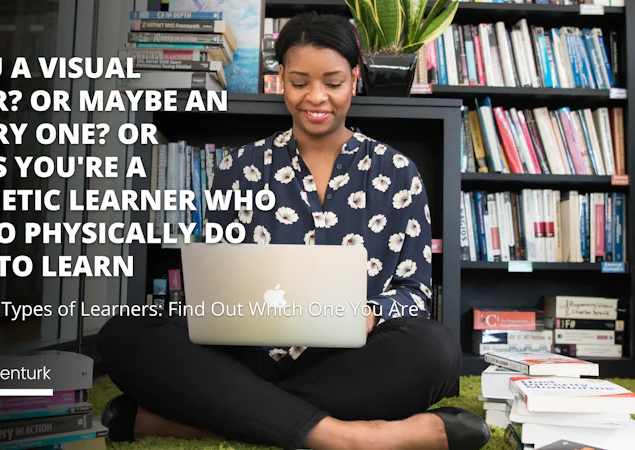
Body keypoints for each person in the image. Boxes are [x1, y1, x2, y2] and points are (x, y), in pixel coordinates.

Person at [97, 12, 490, 450]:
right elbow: (214, 286)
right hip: (245, 360)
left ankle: (209, 418)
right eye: (300, 81)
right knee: (122, 335)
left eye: (333, 82)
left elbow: (415, 292)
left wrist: (370, 313)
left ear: (355, 79)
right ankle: (344, 435)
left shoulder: (398, 172)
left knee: (436, 351)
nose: (316, 97)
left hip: (351, 364)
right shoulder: (239, 168)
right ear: (280, 77)